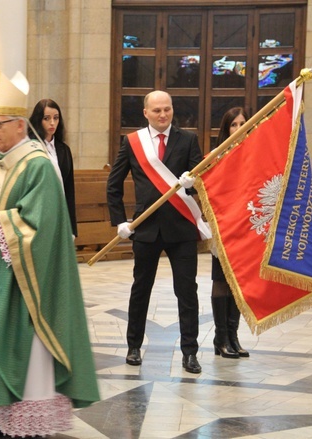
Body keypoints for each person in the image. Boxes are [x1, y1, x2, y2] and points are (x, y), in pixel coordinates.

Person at [0, 70, 99, 438]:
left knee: (18, 345)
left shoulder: (37, 165)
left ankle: (24, 423)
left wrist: (1, 221)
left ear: (19, 126)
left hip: (23, 281)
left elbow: (43, 226)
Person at [106, 90, 210, 374]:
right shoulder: (132, 142)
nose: (163, 115)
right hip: (146, 229)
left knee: (187, 292)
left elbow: (202, 183)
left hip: (181, 228)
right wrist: (120, 222)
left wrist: (192, 182)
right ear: (145, 113)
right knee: (141, 290)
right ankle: (133, 346)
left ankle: (190, 353)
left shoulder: (188, 139)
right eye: (157, 111)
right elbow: (113, 186)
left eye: (167, 109)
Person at [210, 106, 250, 359]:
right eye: (233, 125)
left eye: (242, 123)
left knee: (238, 282)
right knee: (222, 280)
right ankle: (221, 337)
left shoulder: (255, 155)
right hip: (224, 226)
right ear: (226, 129)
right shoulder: (216, 156)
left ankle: (234, 336)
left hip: (246, 227)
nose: (237, 129)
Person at [28, 98, 77, 235]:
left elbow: (69, 189)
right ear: (38, 120)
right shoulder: (30, 147)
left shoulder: (64, 150)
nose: (52, 123)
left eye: (56, 118)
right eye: (46, 118)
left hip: (60, 212)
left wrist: (72, 228)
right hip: (38, 213)